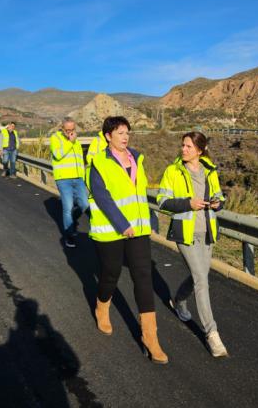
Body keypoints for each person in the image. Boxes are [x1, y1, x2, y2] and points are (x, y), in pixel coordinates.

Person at [87, 116, 168, 364]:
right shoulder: (97, 162)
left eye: (127, 132)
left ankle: (150, 337)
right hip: (111, 231)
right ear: (108, 136)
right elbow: (102, 197)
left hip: (139, 230)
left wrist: (146, 222)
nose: (125, 136)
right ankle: (102, 306)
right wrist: (122, 225)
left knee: (143, 276)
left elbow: (138, 194)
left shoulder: (137, 159)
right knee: (110, 273)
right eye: (120, 132)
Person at [157, 131, 228, 357]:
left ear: (200, 150)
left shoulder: (210, 171)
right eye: (183, 146)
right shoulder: (173, 171)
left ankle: (178, 300)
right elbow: (163, 202)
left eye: (188, 146)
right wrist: (188, 203)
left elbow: (220, 196)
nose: (183, 149)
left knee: (200, 277)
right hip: (185, 234)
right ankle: (212, 334)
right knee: (201, 280)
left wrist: (218, 204)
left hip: (206, 233)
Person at [49, 117, 88, 248]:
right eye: (67, 130)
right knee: (68, 208)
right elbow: (58, 154)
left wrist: (83, 177)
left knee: (84, 204)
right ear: (62, 128)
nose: (70, 132)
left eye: (72, 130)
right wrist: (70, 142)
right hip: (63, 179)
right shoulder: (56, 138)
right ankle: (69, 235)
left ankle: (71, 222)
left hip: (78, 178)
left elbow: (79, 160)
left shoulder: (76, 141)